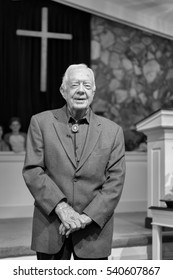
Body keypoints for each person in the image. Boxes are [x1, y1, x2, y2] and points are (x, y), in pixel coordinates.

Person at [22, 64, 126, 260]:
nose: (81, 90)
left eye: (87, 85)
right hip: (51, 227)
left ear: (93, 91)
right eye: (74, 85)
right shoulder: (40, 122)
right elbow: (33, 170)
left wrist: (84, 218)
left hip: (93, 232)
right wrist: (62, 209)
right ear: (63, 90)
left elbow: (115, 182)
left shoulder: (113, 131)